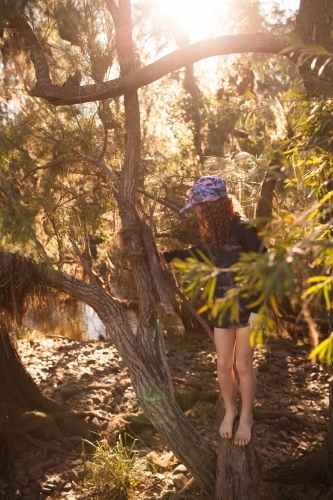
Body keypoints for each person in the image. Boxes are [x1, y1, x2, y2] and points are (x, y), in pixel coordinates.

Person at [159, 175, 266, 446]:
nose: (196, 211)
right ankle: (230, 409)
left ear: (213, 206)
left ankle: (246, 418)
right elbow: (200, 253)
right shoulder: (215, 231)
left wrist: (256, 311)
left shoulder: (244, 228)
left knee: (243, 365)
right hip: (223, 306)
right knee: (222, 363)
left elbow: (266, 268)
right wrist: (169, 256)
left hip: (249, 308)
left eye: (199, 206)